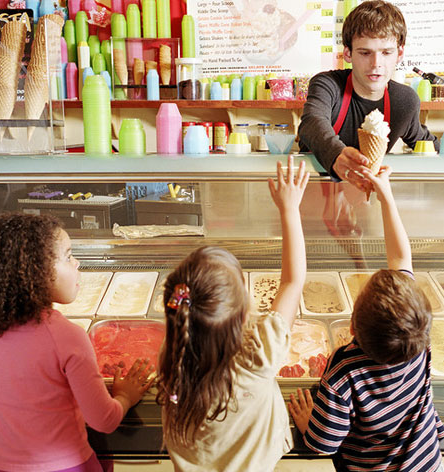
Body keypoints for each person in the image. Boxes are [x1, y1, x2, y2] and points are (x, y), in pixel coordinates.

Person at [156, 156, 309, 472]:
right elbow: (293, 281)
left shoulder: (173, 359)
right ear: (243, 317)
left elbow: (292, 281)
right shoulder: (258, 358)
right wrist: (289, 208)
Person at [288, 165, 444, 471]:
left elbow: (324, 444)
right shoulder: (417, 340)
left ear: (350, 327)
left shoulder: (345, 369)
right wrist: (386, 195)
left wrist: (308, 423)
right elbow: (401, 258)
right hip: (426, 462)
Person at [0, 213, 155, 472]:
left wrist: (10, 390)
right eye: (68, 256)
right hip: (69, 466)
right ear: (37, 274)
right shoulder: (66, 337)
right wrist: (126, 395)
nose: (77, 263)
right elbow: (103, 420)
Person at [298, 0, 440, 191]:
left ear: (399, 54)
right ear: (348, 53)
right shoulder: (327, 85)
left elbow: (425, 142)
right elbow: (311, 123)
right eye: (365, 53)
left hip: (368, 202)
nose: (376, 64)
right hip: (315, 196)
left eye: (386, 53)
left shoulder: (404, 101)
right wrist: (336, 155)